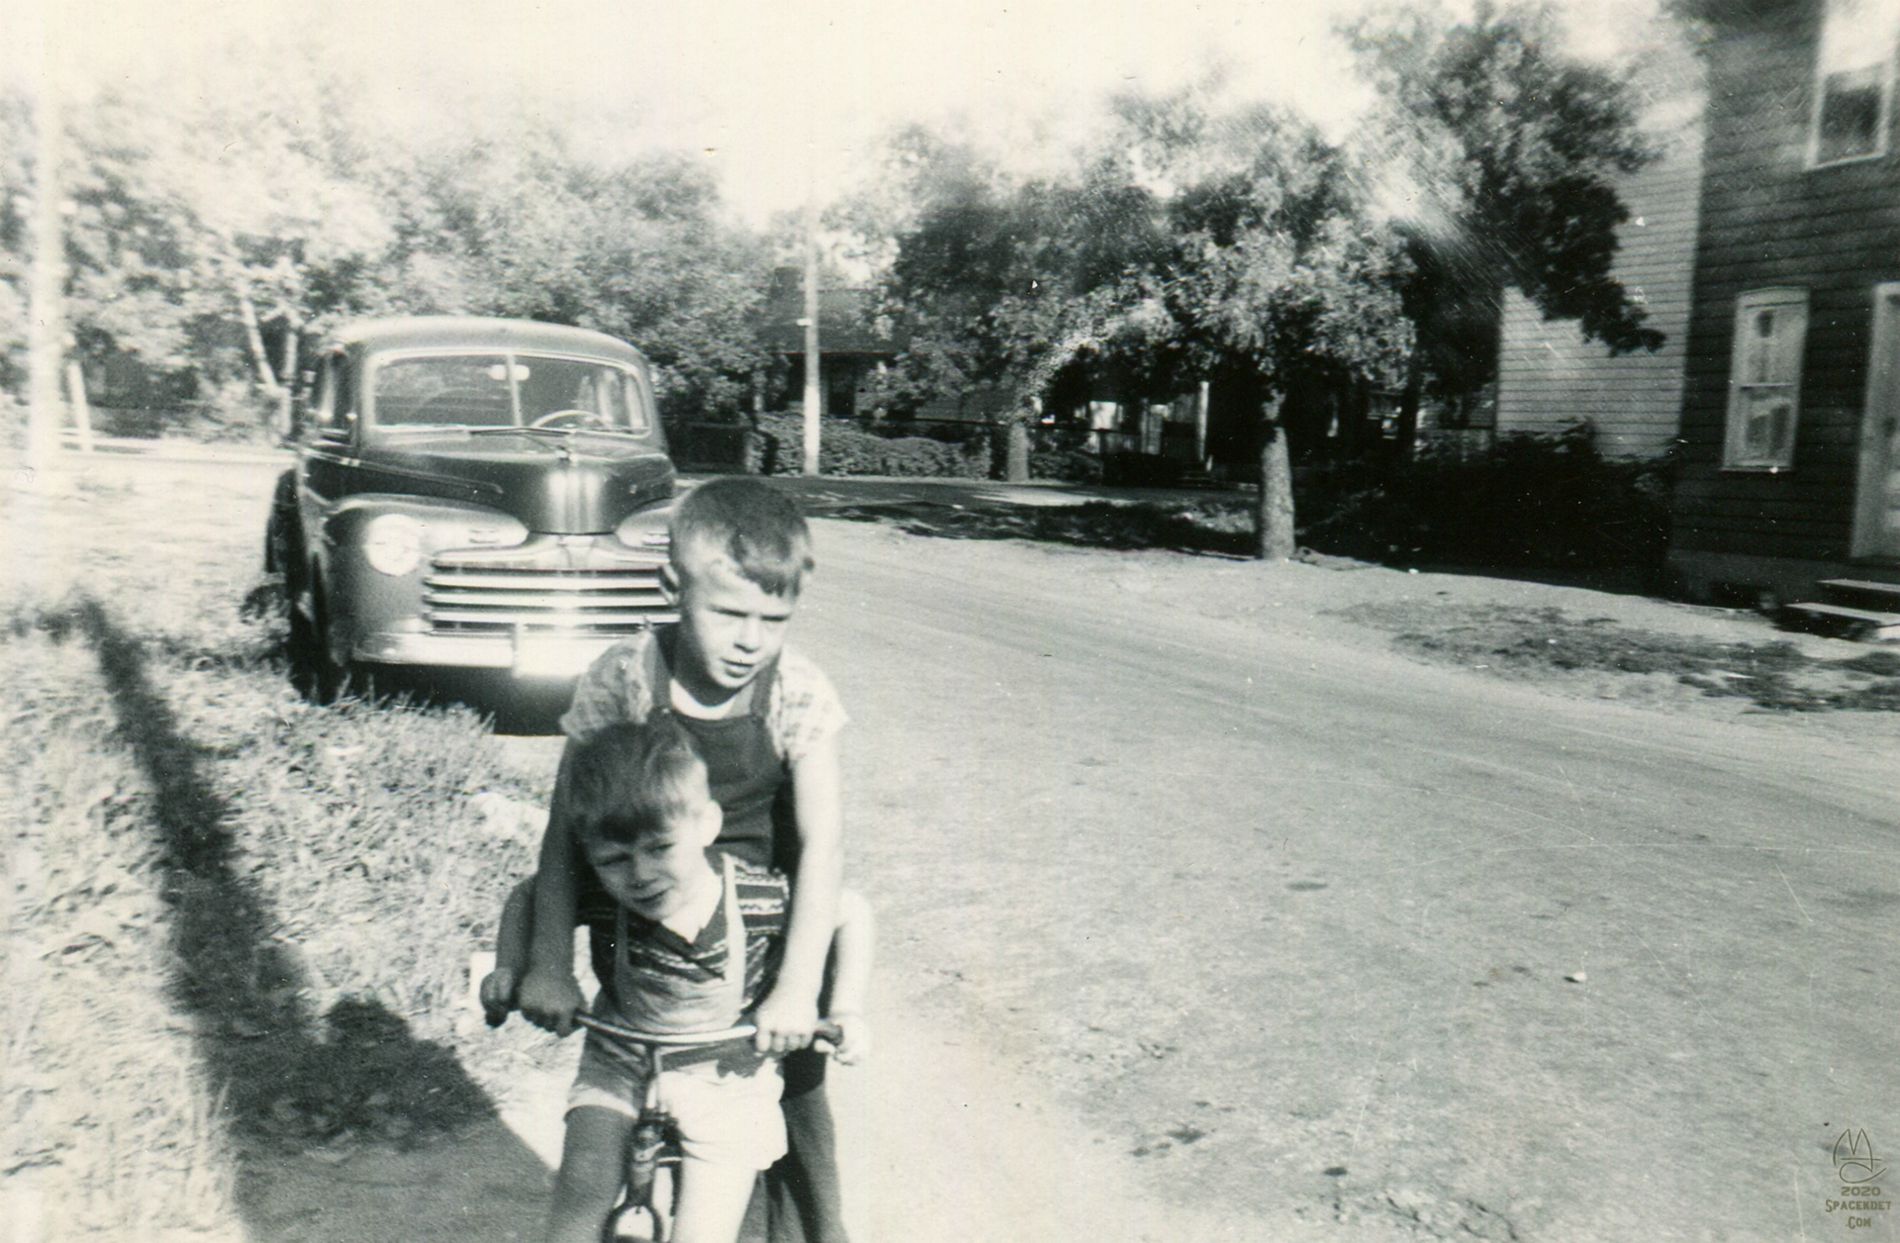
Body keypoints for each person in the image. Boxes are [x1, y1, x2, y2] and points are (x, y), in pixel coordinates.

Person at [518, 476, 854, 1242]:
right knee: (609, 1113)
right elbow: (566, 827)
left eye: (774, 619)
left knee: (796, 1108)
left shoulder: (796, 690)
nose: (750, 640)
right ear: (672, 586)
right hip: (646, 923)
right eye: (730, 612)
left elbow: (825, 843)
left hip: (768, 941)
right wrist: (546, 961)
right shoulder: (623, 679)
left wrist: (799, 988)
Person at [483, 719, 873, 1243]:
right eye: (614, 859)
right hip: (621, 1053)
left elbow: (848, 911)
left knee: (708, 1226)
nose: (640, 875)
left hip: (726, 1071)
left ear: (707, 824)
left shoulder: (754, 899)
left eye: (660, 848)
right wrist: (516, 971)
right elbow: (528, 898)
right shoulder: (604, 898)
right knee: (582, 1185)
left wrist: (843, 1008)